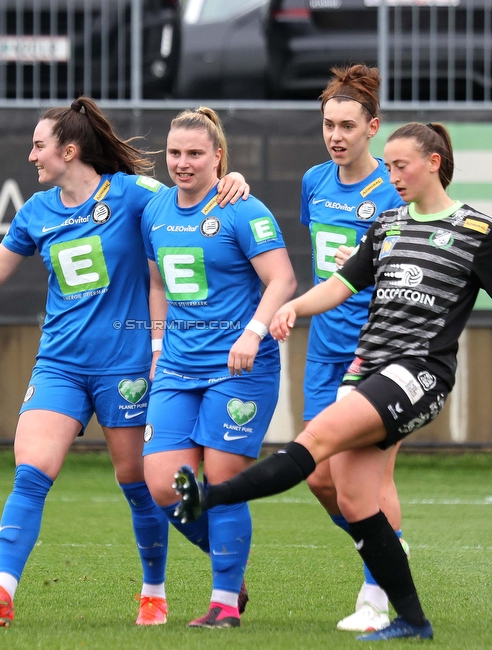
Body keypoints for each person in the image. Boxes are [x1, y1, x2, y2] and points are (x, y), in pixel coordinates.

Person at [173, 121, 492, 641]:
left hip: (419, 373)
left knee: (314, 440)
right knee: (356, 501)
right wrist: (291, 306)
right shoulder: (387, 225)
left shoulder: (477, 232)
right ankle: (412, 621)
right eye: (388, 165)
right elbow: (338, 286)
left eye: (400, 165)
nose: (392, 174)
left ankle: (210, 497)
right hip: (366, 370)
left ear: (433, 163)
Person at [0, 97, 250, 628]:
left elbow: (189, 198)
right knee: (30, 473)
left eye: (38, 145)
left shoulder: (130, 194)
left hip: (125, 368)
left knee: (139, 484)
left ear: (68, 150)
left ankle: (157, 592)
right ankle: (3, 590)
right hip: (59, 364)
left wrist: (229, 180)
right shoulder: (35, 212)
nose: (31, 155)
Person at [140, 107, 297, 629]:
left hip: (240, 366)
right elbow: (157, 283)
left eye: (195, 154)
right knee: (164, 483)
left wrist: (253, 333)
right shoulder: (153, 208)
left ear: (218, 157)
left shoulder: (243, 208)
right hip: (178, 366)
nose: (182, 164)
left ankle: (224, 602)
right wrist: (158, 347)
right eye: (175, 153)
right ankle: (230, 565)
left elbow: (282, 280)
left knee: (223, 479)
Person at [300, 64, 408, 633]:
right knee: (320, 478)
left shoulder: (393, 189)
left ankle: (375, 596)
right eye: (328, 124)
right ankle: (391, 553)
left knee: (361, 481)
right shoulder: (314, 181)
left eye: (347, 125)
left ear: (373, 128)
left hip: (379, 354)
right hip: (324, 353)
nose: (336, 135)